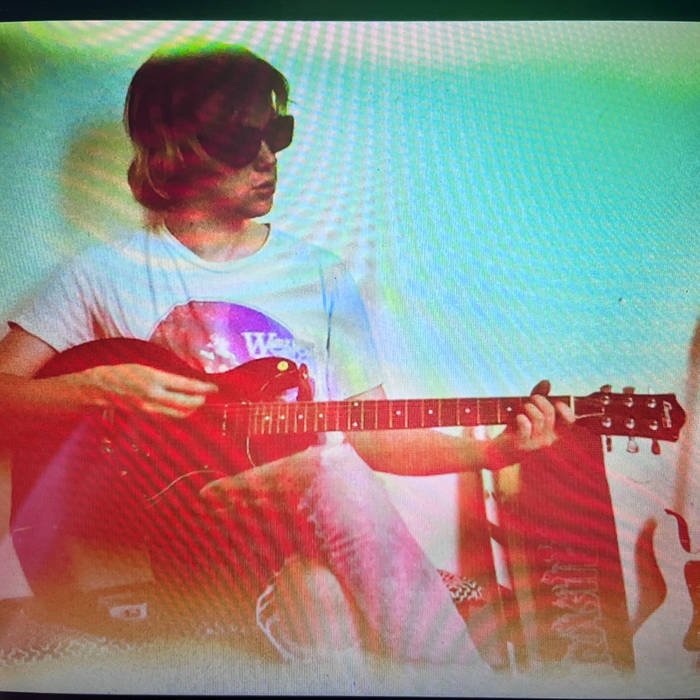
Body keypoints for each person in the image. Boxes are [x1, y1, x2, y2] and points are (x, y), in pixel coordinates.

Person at [0, 42, 574, 666]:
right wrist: (100, 389)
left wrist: (491, 452)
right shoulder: (106, 272)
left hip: (290, 547)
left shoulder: (320, 275)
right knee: (328, 465)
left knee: (324, 597)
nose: (268, 157)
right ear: (176, 148)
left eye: (276, 133)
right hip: (184, 535)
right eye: (241, 139)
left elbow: (373, 433)